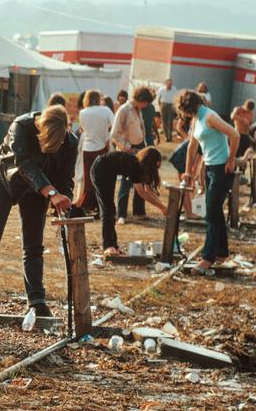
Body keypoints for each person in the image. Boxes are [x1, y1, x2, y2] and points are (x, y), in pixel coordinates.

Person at [0, 106, 78, 324]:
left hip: (38, 189)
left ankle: (37, 301)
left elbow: (66, 177)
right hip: (5, 179)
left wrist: (63, 201)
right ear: (41, 129)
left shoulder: (70, 143)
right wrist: (51, 192)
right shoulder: (21, 126)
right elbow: (25, 165)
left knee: (33, 245)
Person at [179, 89, 239, 274]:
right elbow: (191, 147)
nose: (183, 114)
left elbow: (234, 135)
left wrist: (231, 159)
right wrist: (188, 172)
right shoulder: (196, 119)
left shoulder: (210, 117)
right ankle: (221, 252)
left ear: (190, 107)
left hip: (222, 168)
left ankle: (208, 258)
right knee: (214, 210)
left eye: (183, 110)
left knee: (211, 213)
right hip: (210, 168)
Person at [90, 147, 168, 256]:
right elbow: (142, 192)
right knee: (108, 209)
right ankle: (108, 245)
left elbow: (148, 190)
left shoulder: (140, 167)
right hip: (100, 169)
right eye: (157, 164)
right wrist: (161, 207)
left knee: (110, 209)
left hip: (109, 171)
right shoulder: (135, 166)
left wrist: (162, 206)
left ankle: (113, 245)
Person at [110, 86, 152, 221]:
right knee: (126, 181)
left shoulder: (137, 110)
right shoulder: (124, 110)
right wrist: (127, 147)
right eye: (145, 102)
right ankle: (121, 214)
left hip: (139, 147)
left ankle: (138, 212)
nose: (146, 106)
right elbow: (114, 134)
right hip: (128, 149)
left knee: (141, 179)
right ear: (140, 99)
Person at [74, 90, 113, 212]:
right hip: (102, 147)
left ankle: (87, 204)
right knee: (102, 178)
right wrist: (108, 139)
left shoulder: (83, 112)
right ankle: (100, 204)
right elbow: (115, 125)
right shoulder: (106, 110)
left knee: (88, 179)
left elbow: (83, 129)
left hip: (87, 148)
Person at [156, 78, 177, 145]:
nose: (169, 85)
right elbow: (158, 98)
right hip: (163, 105)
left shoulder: (174, 89)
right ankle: (166, 136)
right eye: (168, 84)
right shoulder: (161, 89)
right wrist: (160, 106)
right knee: (164, 121)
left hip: (171, 105)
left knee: (170, 121)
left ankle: (170, 136)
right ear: (165, 84)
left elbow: (176, 97)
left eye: (171, 84)